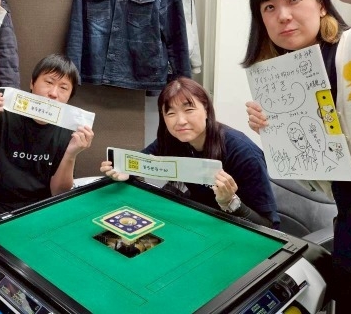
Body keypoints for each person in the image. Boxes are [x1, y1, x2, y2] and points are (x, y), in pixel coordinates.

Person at [244, 0, 351, 309]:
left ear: (321, 3)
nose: (283, 15)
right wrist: (276, 139)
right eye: (269, 7)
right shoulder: (284, 81)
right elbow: (323, 181)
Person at [101, 77, 279, 229]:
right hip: (198, 217)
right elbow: (142, 160)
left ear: (206, 110)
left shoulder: (242, 153)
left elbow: (269, 226)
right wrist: (126, 171)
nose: (180, 121)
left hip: (231, 229)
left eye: (189, 110)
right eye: (170, 113)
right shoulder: (173, 139)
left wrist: (230, 202)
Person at [0, 54, 95, 224]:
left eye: (63, 88)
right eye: (49, 82)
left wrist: (71, 154)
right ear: (32, 83)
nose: (53, 93)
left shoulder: (69, 130)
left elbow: (58, 193)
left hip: (35, 214)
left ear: (69, 96)